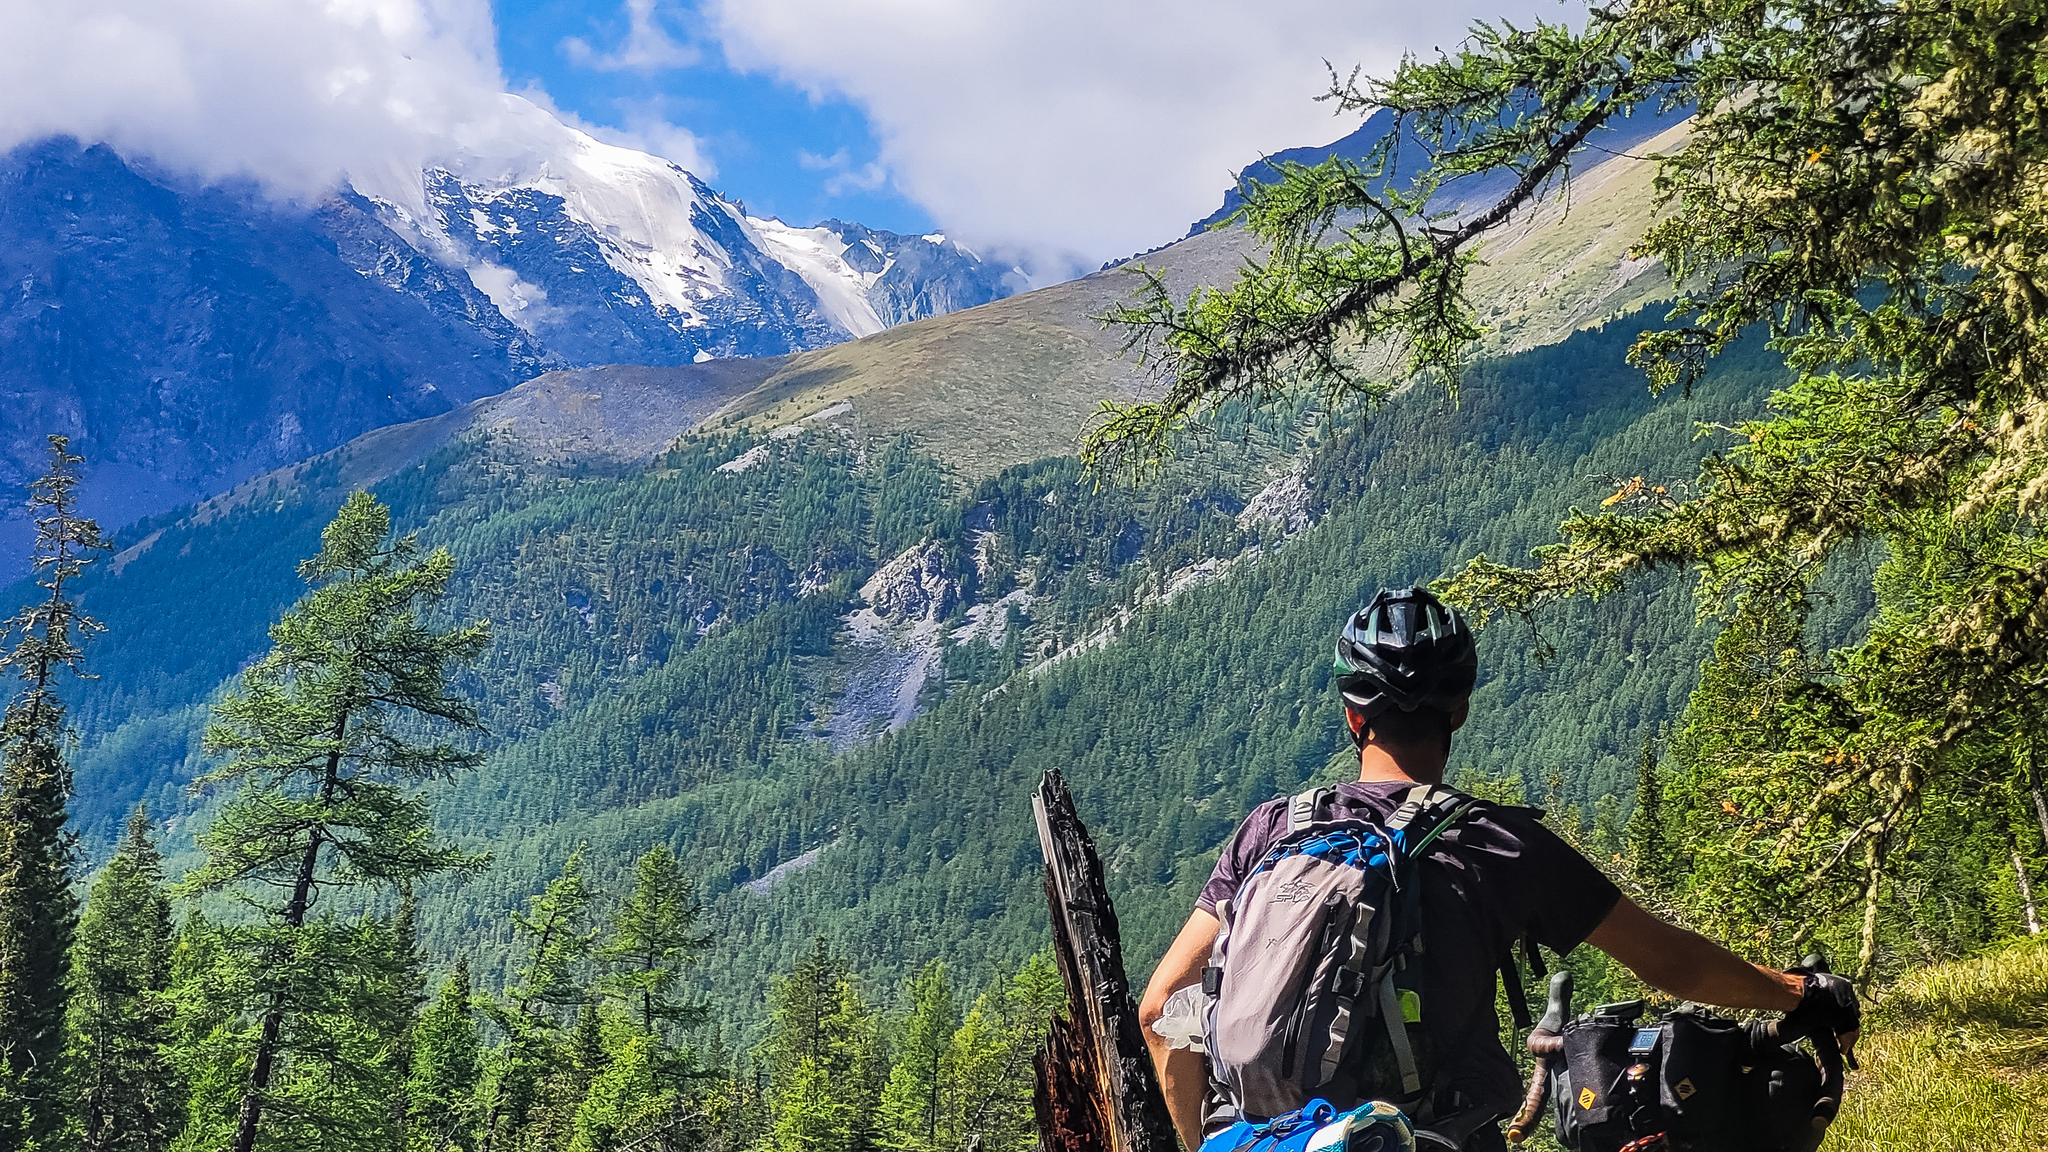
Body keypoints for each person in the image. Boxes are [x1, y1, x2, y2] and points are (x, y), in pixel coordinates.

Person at [1138, 587, 1862, 1152]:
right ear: (1458, 711)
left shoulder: (1271, 829)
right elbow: (1669, 961)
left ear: (1355, 718)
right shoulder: (1495, 843)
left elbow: (1162, 1010)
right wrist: (1799, 993)